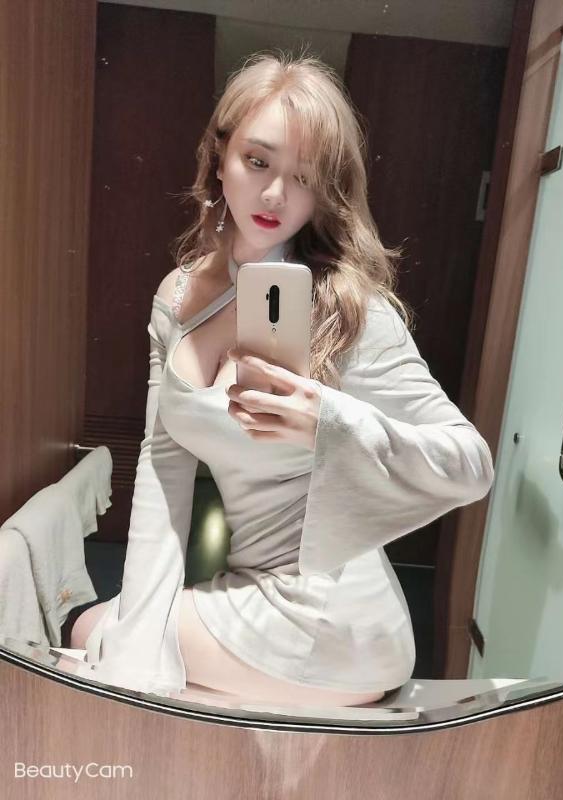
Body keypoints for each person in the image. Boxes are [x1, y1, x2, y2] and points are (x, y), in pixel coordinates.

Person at [70, 51, 494, 708]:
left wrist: (332, 422)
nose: (275, 195)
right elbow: (162, 464)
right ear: (219, 158)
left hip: (336, 621)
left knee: (88, 634)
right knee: (108, 636)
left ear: (325, 190)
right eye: (258, 161)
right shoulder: (175, 297)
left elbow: (472, 464)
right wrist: (138, 630)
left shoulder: (348, 309)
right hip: (249, 591)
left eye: (303, 176)